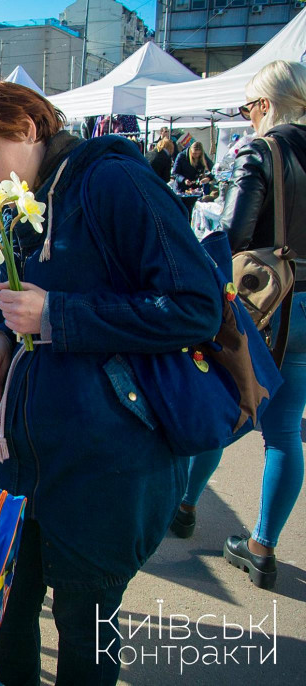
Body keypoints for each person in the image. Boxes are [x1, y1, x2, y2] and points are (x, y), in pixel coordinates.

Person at [0, 77, 221, 684]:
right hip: (23, 463)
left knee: (86, 636)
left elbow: (196, 305)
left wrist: (59, 315)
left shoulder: (112, 182)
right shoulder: (20, 201)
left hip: (108, 467)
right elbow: (8, 294)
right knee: (5, 619)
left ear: (26, 127)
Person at [172, 60, 306, 590]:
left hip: (265, 310)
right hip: (305, 314)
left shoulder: (263, 149)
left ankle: (183, 505)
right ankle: (262, 546)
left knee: (224, 404)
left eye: (250, 107)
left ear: (268, 105)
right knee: (285, 432)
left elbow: (233, 233)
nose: (249, 118)